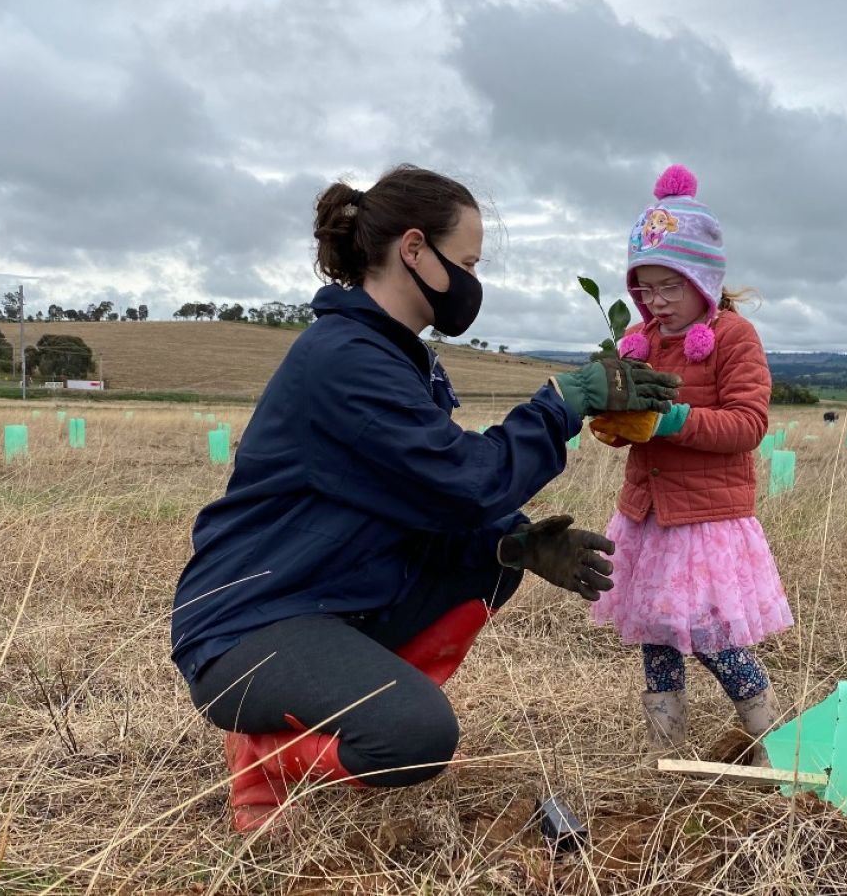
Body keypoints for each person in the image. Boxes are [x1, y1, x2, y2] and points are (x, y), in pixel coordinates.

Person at [170, 164, 682, 832]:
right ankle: (268, 753)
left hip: (324, 603)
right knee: (413, 740)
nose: (472, 281)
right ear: (413, 249)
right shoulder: (346, 361)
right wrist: (563, 403)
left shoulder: (395, 356)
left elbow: (430, 496)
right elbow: (465, 480)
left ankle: (355, 708)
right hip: (248, 627)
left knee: (490, 557)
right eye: (466, 261)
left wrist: (516, 540)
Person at [587, 165, 793, 766]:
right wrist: (616, 426)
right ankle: (665, 751)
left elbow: (747, 425)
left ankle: (772, 744)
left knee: (711, 637)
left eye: (667, 287)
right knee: (655, 635)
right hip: (647, 516)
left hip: (704, 520)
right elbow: (637, 429)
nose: (654, 302)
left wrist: (674, 420)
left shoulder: (733, 337)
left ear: (701, 278)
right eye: (644, 289)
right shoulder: (641, 342)